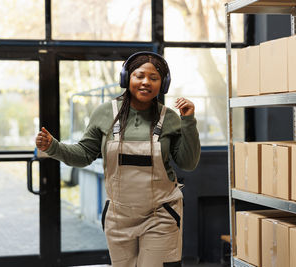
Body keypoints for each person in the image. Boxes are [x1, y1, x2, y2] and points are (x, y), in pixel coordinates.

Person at [35, 51, 200, 267]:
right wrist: (53, 147)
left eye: (154, 78)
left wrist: (188, 121)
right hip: (119, 218)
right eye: (139, 76)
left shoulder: (169, 118)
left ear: (163, 84)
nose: (145, 82)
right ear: (126, 78)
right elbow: (84, 155)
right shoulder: (105, 113)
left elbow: (188, 162)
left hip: (160, 214)